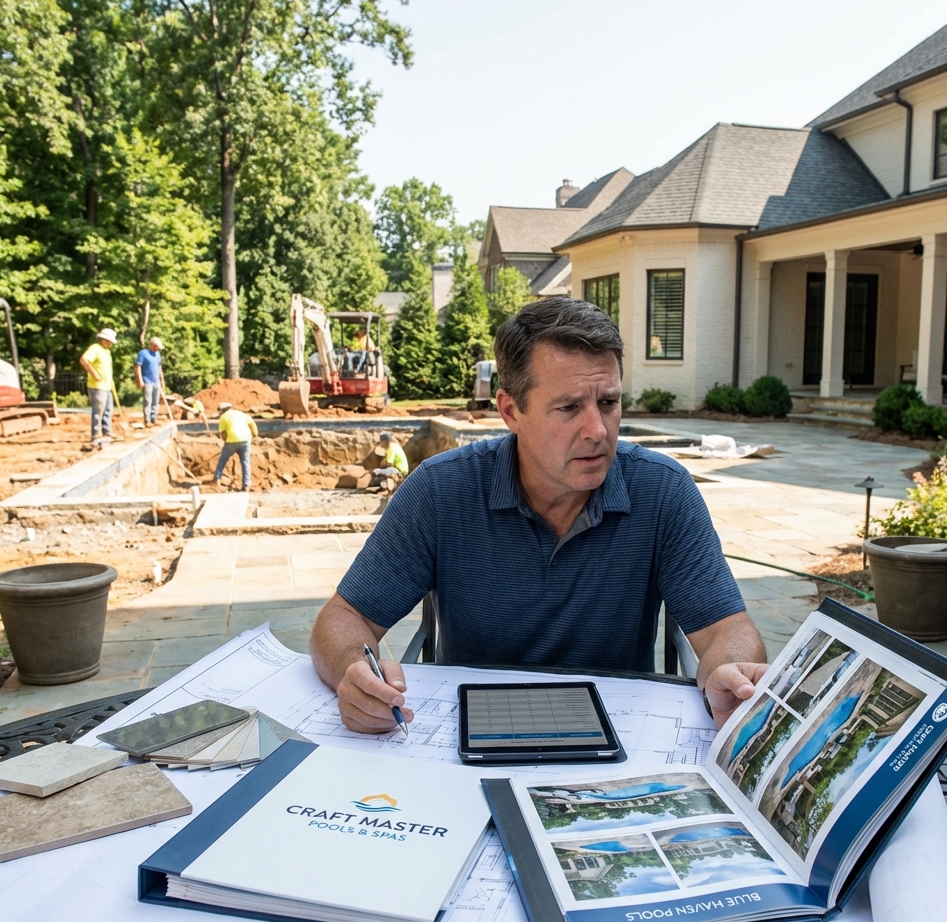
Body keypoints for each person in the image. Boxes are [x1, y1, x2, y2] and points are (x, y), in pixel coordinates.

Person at [310, 296, 768, 735]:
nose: (597, 430)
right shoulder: (440, 492)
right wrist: (356, 673)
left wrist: (731, 674)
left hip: (619, 742)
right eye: (569, 408)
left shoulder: (663, 491)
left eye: (608, 402)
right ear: (511, 410)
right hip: (471, 737)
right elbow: (345, 619)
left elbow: (726, 631)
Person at [79, 328, 117, 448]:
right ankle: (96, 434)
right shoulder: (95, 348)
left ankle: (107, 432)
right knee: (98, 411)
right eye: (108, 341)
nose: (110, 343)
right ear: (103, 339)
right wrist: (94, 374)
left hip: (107, 386)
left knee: (108, 411)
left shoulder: (107, 352)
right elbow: (84, 360)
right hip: (97, 386)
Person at [213, 402, 258, 491]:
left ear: (222, 410)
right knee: (245, 462)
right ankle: (246, 485)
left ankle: (217, 479)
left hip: (231, 441)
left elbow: (223, 434)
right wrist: (255, 434)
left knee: (223, 459)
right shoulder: (241, 414)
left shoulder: (223, 417)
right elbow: (252, 424)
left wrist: (226, 442)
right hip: (245, 440)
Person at [134, 337, 166, 426]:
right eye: (157, 347)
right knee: (148, 401)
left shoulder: (158, 354)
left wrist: (162, 380)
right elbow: (137, 367)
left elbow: (159, 368)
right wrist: (140, 380)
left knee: (155, 401)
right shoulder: (143, 353)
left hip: (156, 382)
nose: (158, 349)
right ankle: (147, 420)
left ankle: (154, 419)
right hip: (147, 381)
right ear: (152, 345)